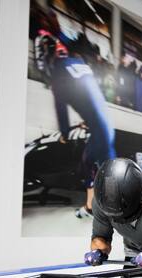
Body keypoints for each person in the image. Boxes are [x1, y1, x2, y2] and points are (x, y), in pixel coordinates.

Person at [34, 31, 115, 219]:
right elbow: (90, 96)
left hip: (100, 130)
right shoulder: (78, 64)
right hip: (105, 126)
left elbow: (60, 108)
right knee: (97, 168)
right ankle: (96, 207)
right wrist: (90, 120)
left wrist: (64, 133)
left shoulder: (58, 75)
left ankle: (100, 211)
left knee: (93, 167)